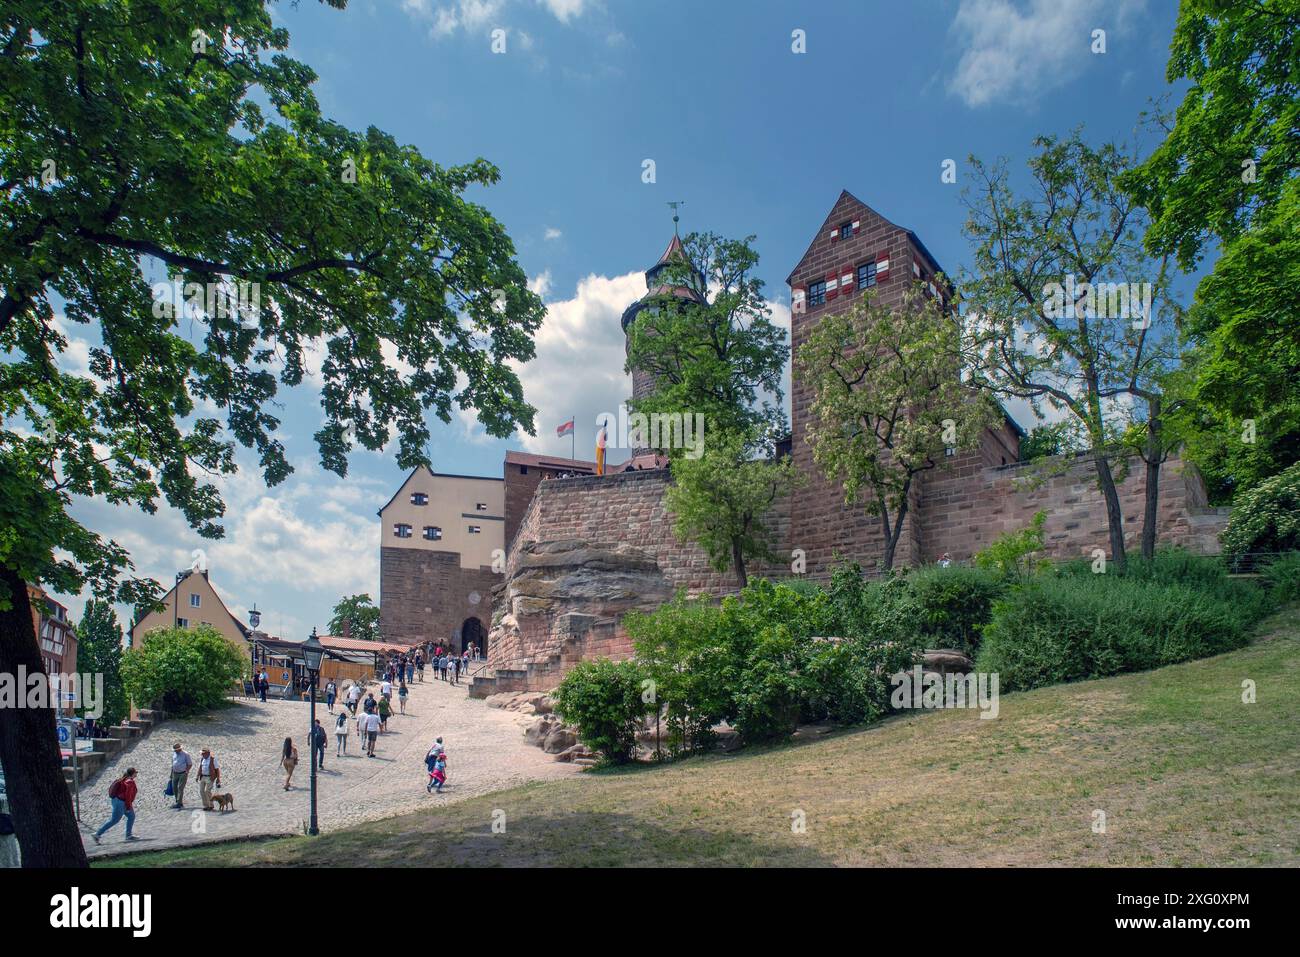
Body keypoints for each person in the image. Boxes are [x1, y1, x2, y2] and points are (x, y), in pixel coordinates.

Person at [92, 767, 139, 844]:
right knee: (114, 820)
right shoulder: (130, 782)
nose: (136, 774)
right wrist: (128, 806)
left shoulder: (125, 779)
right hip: (121, 802)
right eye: (135, 773)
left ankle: (128, 835)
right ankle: (97, 834)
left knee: (131, 816)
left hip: (118, 801)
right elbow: (128, 795)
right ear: (133, 773)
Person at [169, 742, 193, 809]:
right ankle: (178, 801)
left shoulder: (186, 754)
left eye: (176, 750)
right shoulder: (174, 754)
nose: (175, 751)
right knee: (174, 787)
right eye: (175, 750)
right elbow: (173, 764)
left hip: (183, 773)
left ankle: (179, 803)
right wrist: (171, 774)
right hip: (175, 773)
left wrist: (186, 771)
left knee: (180, 788)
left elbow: (190, 764)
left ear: (180, 749)